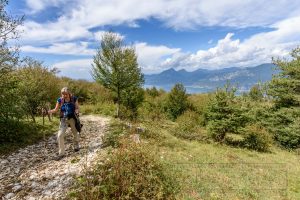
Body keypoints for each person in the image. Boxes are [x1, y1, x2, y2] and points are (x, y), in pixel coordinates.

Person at [48, 87, 80, 160]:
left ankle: (76, 145)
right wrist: (49, 111)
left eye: (66, 94)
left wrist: (77, 111)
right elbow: (55, 110)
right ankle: (61, 153)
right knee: (60, 135)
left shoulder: (74, 98)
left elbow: (77, 107)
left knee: (75, 133)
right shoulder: (60, 100)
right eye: (63, 94)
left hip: (72, 118)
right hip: (63, 119)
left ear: (69, 93)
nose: (64, 95)